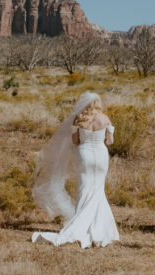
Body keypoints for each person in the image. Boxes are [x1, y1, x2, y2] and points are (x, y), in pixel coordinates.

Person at [32, 92, 119, 248]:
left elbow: (75, 141)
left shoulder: (79, 119)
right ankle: (97, 228)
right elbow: (110, 141)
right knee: (98, 189)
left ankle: (80, 222)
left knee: (84, 188)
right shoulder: (104, 119)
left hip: (84, 155)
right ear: (98, 103)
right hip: (100, 155)